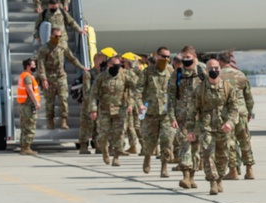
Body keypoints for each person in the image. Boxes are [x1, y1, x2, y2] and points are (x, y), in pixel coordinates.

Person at [195, 58, 240, 195]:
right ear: (206, 71)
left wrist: (230, 123)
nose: (213, 71)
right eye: (210, 69)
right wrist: (192, 130)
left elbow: (234, 108)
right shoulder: (200, 89)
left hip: (223, 127)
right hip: (206, 127)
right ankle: (213, 182)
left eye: (216, 68)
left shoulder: (228, 88)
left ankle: (220, 177)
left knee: (223, 156)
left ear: (219, 69)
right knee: (208, 155)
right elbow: (192, 111)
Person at [87, 54, 137, 166]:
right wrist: (93, 109)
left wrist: (132, 103)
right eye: (114, 65)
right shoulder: (101, 77)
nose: (116, 67)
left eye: (119, 65)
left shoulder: (124, 76)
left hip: (120, 110)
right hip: (105, 110)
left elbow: (136, 88)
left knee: (119, 134)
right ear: (108, 65)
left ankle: (116, 156)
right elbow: (93, 94)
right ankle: (105, 151)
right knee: (103, 135)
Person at [35, 27, 85, 130]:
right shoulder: (44, 49)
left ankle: (63, 120)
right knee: (50, 101)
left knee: (63, 98)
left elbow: (71, 58)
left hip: (61, 76)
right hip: (49, 78)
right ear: (51, 36)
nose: (58, 38)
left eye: (60, 36)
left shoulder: (63, 45)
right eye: (56, 36)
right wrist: (43, 79)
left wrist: (82, 67)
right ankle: (50, 120)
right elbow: (41, 65)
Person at [168, 46, 204, 189]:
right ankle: (185, 176)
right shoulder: (176, 74)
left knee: (196, 149)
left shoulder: (202, 73)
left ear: (194, 56)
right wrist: (172, 117)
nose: (186, 60)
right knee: (184, 145)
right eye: (184, 57)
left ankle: (192, 177)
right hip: (182, 116)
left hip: (198, 117)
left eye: (188, 57)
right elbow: (170, 97)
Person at [139, 46, 176, 176]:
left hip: (166, 114)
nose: (165, 59)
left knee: (167, 141)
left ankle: (164, 167)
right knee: (149, 141)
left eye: (167, 57)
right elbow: (138, 90)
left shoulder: (171, 72)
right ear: (157, 56)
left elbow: (176, 92)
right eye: (163, 56)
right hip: (151, 113)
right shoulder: (147, 72)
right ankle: (147, 157)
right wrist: (140, 104)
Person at [218, 50, 255, 180]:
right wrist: (249, 112)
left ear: (220, 62)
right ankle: (249, 169)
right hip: (241, 111)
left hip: (226, 114)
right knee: (245, 140)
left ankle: (233, 170)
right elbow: (248, 97)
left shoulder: (218, 76)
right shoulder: (241, 75)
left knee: (230, 142)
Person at [78, 52, 106, 155]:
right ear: (96, 61)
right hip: (89, 103)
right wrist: (91, 103)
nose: (103, 62)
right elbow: (87, 90)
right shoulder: (88, 73)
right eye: (101, 60)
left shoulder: (104, 73)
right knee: (86, 125)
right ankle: (83, 146)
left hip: (100, 103)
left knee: (98, 125)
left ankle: (98, 146)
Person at [16, 57, 41, 155]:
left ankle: (23, 147)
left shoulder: (24, 75)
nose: (35, 67)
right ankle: (26, 147)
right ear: (28, 66)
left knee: (24, 126)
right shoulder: (27, 77)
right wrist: (36, 102)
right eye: (33, 65)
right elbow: (30, 90)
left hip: (24, 105)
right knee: (30, 125)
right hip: (28, 105)